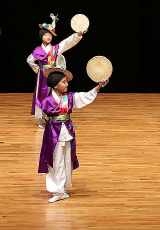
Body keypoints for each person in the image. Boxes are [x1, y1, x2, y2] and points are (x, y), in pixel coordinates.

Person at [38, 66, 108, 203]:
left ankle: (63, 189)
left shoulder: (69, 97)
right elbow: (42, 117)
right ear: (55, 85)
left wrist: (99, 86)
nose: (66, 84)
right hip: (53, 135)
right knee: (55, 162)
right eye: (63, 82)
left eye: (66, 81)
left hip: (68, 133)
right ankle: (57, 191)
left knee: (66, 161)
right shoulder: (46, 101)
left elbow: (86, 96)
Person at [27, 14, 86, 128]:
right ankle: (41, 120)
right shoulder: (38, 50)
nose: (49, 37)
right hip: (43, 76)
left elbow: (67, 42)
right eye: (46, 35)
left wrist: (77, 35)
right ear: (42, 36)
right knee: (42, 95)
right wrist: (39, 70)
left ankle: (57, 118)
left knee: (57, 94)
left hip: (54, 74)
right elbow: (29, 60)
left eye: (50, 35)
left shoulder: (55, 49)